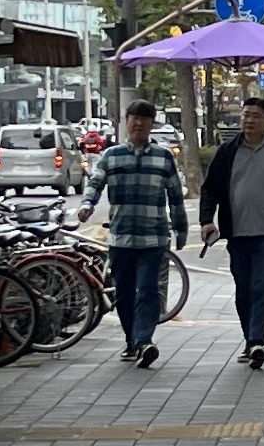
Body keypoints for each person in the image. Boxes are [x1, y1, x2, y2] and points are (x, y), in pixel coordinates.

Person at [78, 96, 187, 368]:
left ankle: (143, 341)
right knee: (124, 293)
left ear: (151, 124)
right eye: (134, 118)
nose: (138, 123)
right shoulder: (112, 155)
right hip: (121, 237)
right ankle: (132, 340)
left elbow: (175, 196)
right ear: (126, 122)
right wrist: (87, 205)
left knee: (148, 290)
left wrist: (181, 229)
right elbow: (95, 183)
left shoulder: (163, 157)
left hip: (154, 238)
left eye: (144, 119)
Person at [198, 90, 264, 370]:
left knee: (261, 287)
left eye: (255, 116)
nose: (249, 121)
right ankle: (249, 339)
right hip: (237, 232)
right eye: (245, 116)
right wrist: (206, 220)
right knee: (243, 290)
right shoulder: (228, 151)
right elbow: (210, 188)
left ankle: (257, 342)